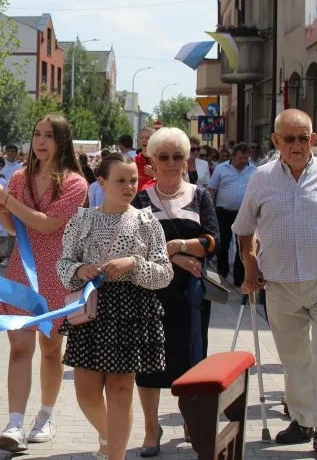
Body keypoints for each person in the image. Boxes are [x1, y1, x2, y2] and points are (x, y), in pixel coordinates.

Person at [234, 109, 317, 456]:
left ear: (314, 139)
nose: (297, 145)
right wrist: (249, 269)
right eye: (289, 138)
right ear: (276, 141)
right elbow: (244, 228)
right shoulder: (262, 178)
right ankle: (303, 420)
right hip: (279, 282)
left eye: (304, 137)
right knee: (294, 357)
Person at [0, 114, 88, 452]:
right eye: (36, 135)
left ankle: (45, 414)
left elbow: (47, 225)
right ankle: (14, 422)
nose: (40, 142)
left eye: (48, 136)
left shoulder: (75, 184)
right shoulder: (18, 178)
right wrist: (0, 206)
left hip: (56, 274)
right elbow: (15, 229)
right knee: (19, 349)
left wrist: (8, 200)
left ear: (62, 141)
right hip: (21, 272)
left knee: (51, 350)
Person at [57, 154, 173, 460]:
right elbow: (63, 264)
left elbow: (164, 273)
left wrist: (133, 263)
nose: (129, 186)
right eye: (121, 180)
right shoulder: (82, 219)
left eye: (133, 179)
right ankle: (109, 435)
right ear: (102, 182)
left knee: (122, 389)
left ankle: (116, 455)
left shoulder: (147, 221)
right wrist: (80, 270)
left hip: (132, 309)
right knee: (86, 393)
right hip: (92, 308)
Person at [132, 127, 219, 456]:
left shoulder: (200, 196)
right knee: (150, 364)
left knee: (193, 361)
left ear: (187, 160)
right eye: (164, 157)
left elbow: (213, 241)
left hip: (191, 296)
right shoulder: (141, 198)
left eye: (177, 156)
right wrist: (177, 255)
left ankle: (190, 419)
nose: (171, 162)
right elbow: (136, 245)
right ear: (152, 160)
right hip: (152, 293)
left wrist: (178, 245)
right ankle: (151, 428)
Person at [208, 142, 255, 286]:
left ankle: (238, 278)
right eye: (241, 158)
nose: (244, 161)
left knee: (242, 246)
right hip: (223, 213)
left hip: (244, 213)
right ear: (233, 157)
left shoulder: (254, 170)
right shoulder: (221, 169)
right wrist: (210, 211)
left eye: (246, 158)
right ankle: (222, 271)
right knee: (222, 244)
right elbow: (212, 190)